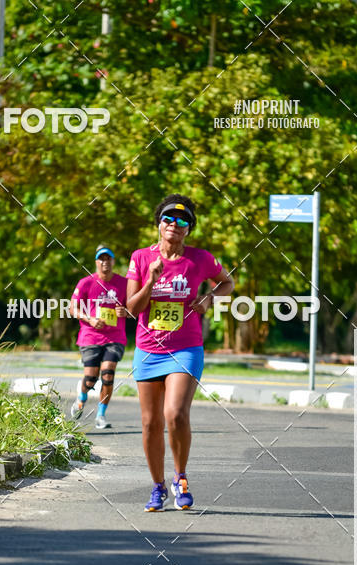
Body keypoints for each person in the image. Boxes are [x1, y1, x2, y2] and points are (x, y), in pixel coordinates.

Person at [126, 194, 234, 511]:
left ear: (189, 229)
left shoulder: (199, 259)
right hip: (148, 350)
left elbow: (227, 282)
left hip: (185, 346)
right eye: (168, 219)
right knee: (149, 423)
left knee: (175, 414)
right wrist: (151, 280)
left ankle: (180, 477)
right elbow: (132, 309)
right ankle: (158, 486)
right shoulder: (141, 258)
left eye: (182, 221)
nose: (175, 225)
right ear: (159, 225)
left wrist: (210, 297)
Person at [70, 245, 128, 429]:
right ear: (96, 262)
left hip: (115, 336)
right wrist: (90, 319)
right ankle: (82, 397)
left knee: (108, 374)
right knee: (90, 378)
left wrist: (125, 311)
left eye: (108, 259)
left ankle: (101, 415)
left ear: (113, 261)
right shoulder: (86, 283)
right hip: (90, 336)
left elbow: (136, 307)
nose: (105, 262)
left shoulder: (124, 283)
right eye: (101, 259)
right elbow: (73, 308)